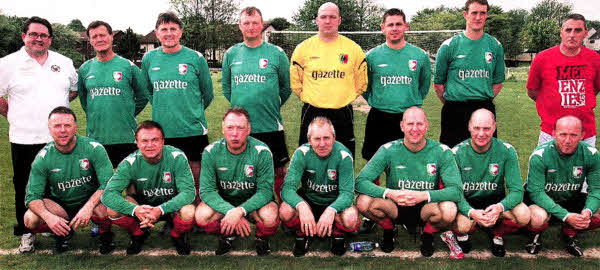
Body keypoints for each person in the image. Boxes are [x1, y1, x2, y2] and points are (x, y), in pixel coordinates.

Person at [0, 16, 78, 252]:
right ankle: (27, 232)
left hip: (59, 140)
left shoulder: (64, 62)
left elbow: (72, 92)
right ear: (24, 36)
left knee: (60, 188)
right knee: (25, 186)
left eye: (43, 35)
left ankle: (61, 231)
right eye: (33, 34)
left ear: (50, 39)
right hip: (24, 138)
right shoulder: (7, 63)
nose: (38, 38)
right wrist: (15, 116)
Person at [355, 107, 463, 258]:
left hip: (426, 208)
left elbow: (456, 190)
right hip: (396, 206)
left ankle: (427, 234)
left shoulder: (442, 151)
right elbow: (360, 182)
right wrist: (390, 193)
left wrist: (423, 195)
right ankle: (389, 229)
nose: (415, 129)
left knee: (449, 209)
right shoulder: (388, 150)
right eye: (410, 124)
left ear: (426, 126)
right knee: (363, 202)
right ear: (402, 126)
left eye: (419, 124)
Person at [360, 7, 431, 233]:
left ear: (406, 27)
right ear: (382, 28)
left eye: (398, 24)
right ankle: (374, 211)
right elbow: (366, 87)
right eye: (390, 24)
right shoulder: (372, 56)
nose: (394, 28)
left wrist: (409, 105)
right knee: (374, 165)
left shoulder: (419, 56)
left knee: (408, 165)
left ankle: (410, 211)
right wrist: (378, 100)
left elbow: (423, 86)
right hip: (379, 116)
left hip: (407, 118)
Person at [141, 12, 214, 202]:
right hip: (163, 131)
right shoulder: (149, 59)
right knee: (168, 179)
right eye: (164, 29)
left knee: (196, 177)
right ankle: (173, 218)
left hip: (192, 130)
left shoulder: (195, 58)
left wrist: (191, 111)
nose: (169, 33)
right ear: (157, 33)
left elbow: (208, 94)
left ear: (181, 32)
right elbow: (149, 91)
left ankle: (199, 216)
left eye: (173, 29)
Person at [222, 7, 291, 202]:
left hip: (269, 124)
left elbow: (286, 88)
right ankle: (242, 210)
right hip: (240, 128)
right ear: (240, 26)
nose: (251, 27)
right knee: (240, 171)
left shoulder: (276, 53)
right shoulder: (231, 54)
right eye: (246, 23)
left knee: (278, 170)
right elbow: (227, 88)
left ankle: (286, 210)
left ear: (262, 25)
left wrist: (272, 106)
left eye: (254, 23)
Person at [23, 107, 114, 254]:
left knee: (111, 207)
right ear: (50, 129)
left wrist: (88, 206)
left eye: (67, 125)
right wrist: (49, 217)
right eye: (57, 126)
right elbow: (32, 197)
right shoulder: (43, 158)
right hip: (61, 206)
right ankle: (62, 232)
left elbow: (110, 183)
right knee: (30, 218)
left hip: (90, 202)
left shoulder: (94, 148)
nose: (62, 130)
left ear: (75, 127)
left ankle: (106, 234)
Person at [101, 121, 196, 255]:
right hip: (142, 210)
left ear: (163, 141)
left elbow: (188, 193)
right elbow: (108, 195)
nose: (150, 145)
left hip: (170, 207)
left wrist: (161, 209)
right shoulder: (130, 162)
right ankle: (139, 233)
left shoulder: (177, 157)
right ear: (137, 143)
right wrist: (135, 209)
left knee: (189, 211)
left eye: (155, 140)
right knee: (112, 210)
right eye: (144, 141)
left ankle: (177, 235)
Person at [195, 107, 279, 256]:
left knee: (270, 215)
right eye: (230, 128)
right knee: (202, 216)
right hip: (226, 202)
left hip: (255, 205)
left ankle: (261, 238)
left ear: (248, 130)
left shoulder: (262, 151)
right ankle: (228, 233)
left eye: (240, 128)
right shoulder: (211, 151)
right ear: (222, 129)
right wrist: (231, 212)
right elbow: (206, 191)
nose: (235, 133)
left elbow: (265, 192)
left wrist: (240, 211)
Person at [290, 2, 368, 156]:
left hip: (342, 112)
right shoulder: (303, 48)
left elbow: (361, 83)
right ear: (317, 20)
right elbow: (295, 82)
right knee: (308, 158)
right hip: (312, 110)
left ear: (339, 20)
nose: (327, 21)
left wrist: (344, 97)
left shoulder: (353, 49)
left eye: (332, 17)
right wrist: (310, 97)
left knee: (344, 157)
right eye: (323, 17)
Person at [450, 109, 529, 257]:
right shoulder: (456, 153)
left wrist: (500, 207)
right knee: (463, 225)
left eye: (486, 128)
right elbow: (454, 193)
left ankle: (497, 234)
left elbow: (517, 191)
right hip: (469, 204)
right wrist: (471, 212)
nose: (481, 134)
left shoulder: (507, 150)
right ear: (469, 127)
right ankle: (462, 235)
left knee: (524, 214)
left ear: (494, 127)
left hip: (495, 204)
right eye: (477, 128)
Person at [280, 117, 359, 257]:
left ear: (334, 138)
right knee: (285, 211)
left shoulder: (344, 155)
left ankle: (337, 234)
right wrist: (302, 207)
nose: (322, 144)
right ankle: (302, 232)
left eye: (326, 138)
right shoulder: (301, 153)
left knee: (351, 218)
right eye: (317, 139)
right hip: (309, 201)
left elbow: (347, 194)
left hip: (334, 202)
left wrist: (331, 210)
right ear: (309, 141)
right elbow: (287, 189)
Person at [525, 115, 600, 257]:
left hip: (570, 198)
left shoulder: (592, 154)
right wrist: (565, 215)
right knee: (538, 217)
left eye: (573, 135)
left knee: (595, 211)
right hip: (543, 201)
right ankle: (535, 234)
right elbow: (536, 193)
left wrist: (588, 211)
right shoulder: (540, 155)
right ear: (553, 134)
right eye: (563, 134)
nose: (567, 141)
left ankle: (570, 232)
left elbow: (596, 189)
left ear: (582, 135)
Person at [433, 0, 505, 148]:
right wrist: (453, 102)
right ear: (465, 15)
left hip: (484, 107)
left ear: (487, 15)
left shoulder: (495, 46)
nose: (478, 17)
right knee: (451, 157)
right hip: (454, 109)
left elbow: (497, 83)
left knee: (485, 156)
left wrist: (482, 101)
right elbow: (438, 84)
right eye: (474, 13)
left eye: (482, 13)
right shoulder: (449, 46)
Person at [78, 20, 149, 167]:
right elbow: (84, 100)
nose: (99, 39)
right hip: (96, 138)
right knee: (100, 185)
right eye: (94, 36)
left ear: (111, 36)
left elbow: (143, 95)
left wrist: (127, 112)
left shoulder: (127, 66)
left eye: (102, 35)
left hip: (125, 137)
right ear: (90, 41)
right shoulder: (85, 69)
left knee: (131, 185)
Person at [526, 13, 600, 147]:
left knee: (584, 168)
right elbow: (532, 91)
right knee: (546, 167)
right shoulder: (542, 58)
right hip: (551, 132)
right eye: (568, 30)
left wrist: (576, 98)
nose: (572, 34)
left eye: (577, 30)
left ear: (585, 33)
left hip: (585, 133)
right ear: (561, 32)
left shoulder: (595, 59)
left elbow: (595, 88)